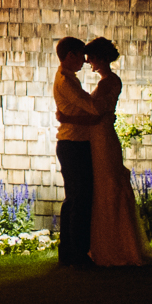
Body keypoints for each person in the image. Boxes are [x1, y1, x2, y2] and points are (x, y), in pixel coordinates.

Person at [82, 37, 152, 266]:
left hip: (102, 136)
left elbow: (97, 111)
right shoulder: (112, 81)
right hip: (102, 136)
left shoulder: (107, 83)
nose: (88, 62)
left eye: (91, 57)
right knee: (108, 184)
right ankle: (116, 242)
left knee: (107, 185)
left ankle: (114, 246)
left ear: (101, 57)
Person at [51, 36, 103, 267]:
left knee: (75, 198)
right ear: (70, 55)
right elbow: (91, 107)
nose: (84, 61)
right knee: (79, 199)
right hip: (73, 143)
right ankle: (77, 253)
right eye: (81, 55)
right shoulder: (67, 81)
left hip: (73, 142)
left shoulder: (67, 78)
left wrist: (69, 116)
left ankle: (70, 251)